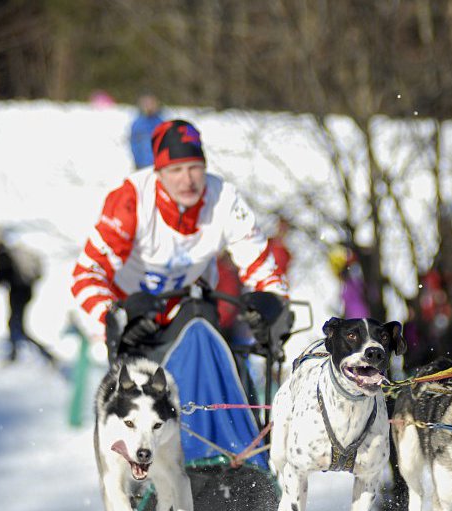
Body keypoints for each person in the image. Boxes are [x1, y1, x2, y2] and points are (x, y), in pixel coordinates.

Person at [71, 118, 289, 356]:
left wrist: (273, 303)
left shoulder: (224, 199)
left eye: (194, 167)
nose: (187, 180)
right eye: (176, 170)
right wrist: (113, 315)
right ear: (159, 173)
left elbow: (262, 266)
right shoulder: (131, 200)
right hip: (131, 316)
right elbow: (86, 274)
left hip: (187, 312)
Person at [0, 233, 54, 363]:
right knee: (16, 324)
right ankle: (17, 353)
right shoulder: (8, 253)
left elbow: (0, 275)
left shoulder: (3, 255)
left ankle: (39, 354)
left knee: (16, 325)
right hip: (24, 291)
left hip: (18, 293)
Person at [129, 93, 165, 170]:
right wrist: (137, 162)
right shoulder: (137, 124)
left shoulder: (161, 123)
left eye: (151, 103)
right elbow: (134, 144)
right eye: (146, 104)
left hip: (158, 164)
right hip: (141, 165)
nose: (149, 107)